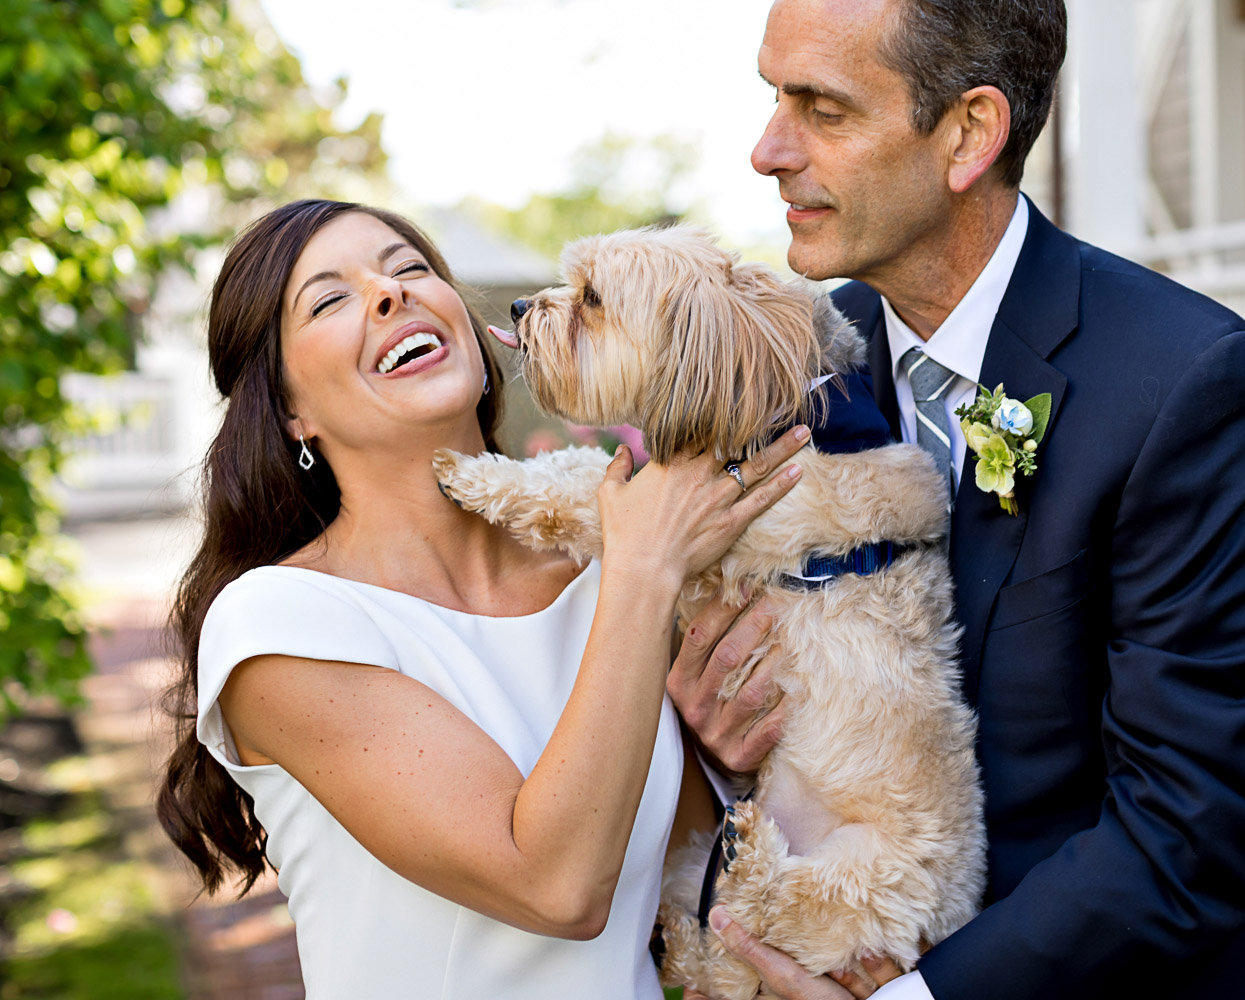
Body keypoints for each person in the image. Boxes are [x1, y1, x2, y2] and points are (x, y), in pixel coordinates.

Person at [667, 1, 1245, 998]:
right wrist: (724, 741)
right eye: (775, 97)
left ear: (971, 133)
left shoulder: (1192, 386)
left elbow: (1196, 821)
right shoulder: (797, 368)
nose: (768, 149)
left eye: (823, 109)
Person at [154, 198, 811, 998]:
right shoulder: (280, 622)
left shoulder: (611, 573)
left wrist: (713, 758)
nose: (392, 293)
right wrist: (647, 569)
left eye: (410, 268)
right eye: (330, 299)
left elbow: (676, 900)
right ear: (291, 412)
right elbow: (557, 887)